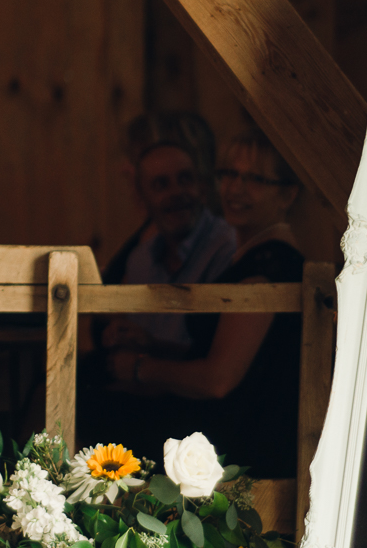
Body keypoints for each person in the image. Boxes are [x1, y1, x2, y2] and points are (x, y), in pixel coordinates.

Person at [86, 127, 306, 478]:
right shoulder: (249, 255)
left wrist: (139, 368)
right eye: (230, 174)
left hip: (241, 446)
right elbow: (226, 353)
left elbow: (218, 380)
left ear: (287, 195)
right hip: (222, 424)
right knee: (91, 386)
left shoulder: (268, 266)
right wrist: (153, 345)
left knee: (97, 409)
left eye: (254, 179)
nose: (235, 189)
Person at [96, 113, 238, 359]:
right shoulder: (145, 251)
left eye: (135, 156)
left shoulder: (222, 243)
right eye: (160, 183)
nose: (125, 169)